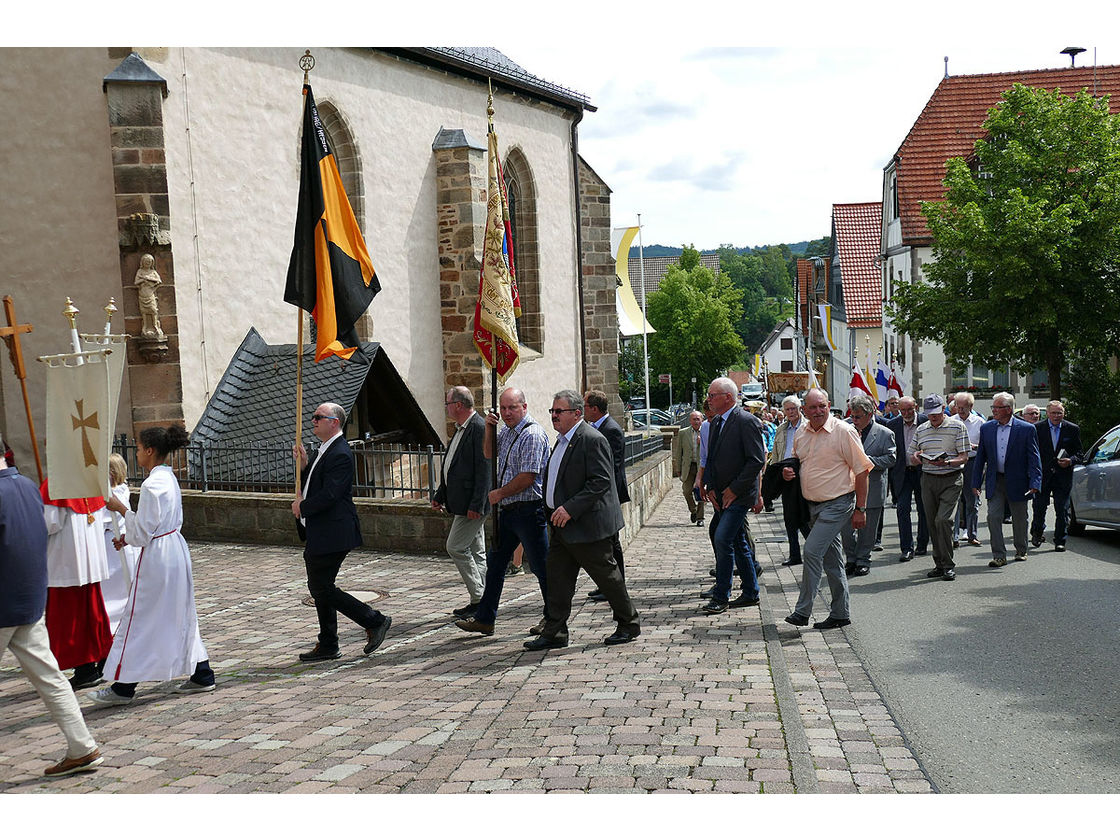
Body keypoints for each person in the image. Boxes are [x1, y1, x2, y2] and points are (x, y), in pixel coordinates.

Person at [91, 425, 217, 705]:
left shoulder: (151, 485)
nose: (136, 453)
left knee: (141, 617)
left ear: (149, 451)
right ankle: (202, 672)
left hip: (159, 557)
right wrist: (128, 537)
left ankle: (123, 687)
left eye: (137, 448)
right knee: (179, 612)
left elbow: (144, 531)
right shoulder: (167, 478)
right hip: (173, 549)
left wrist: (121, 509)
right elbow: (151, 527)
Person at [1, 432, 102, 776]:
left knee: (52, 678)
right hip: (29, 600)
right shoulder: (28, 486)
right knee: (51, 678)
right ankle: (82, 746)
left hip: (3, 604)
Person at [524, 390, 640, 649]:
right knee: (558, 580)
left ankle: (629, 623)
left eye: (559, 412)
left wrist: (570, 508)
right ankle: (555, 632)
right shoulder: (562, 440)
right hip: (561, 526)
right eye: (552, 411)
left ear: (577, 413)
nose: (554, 416)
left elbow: (600, 481)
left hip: (586, 526)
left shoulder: (591, 439)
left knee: (608, 579)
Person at [291, 404, 392, 663]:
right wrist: (303, 466)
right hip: (320, 531)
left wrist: (302, 506)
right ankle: (328, 643)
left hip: (334, 531)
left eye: (318, 417)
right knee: (321, 587)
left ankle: (374, 620)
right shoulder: (323, 450)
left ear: (334, 422)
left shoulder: (340, 453)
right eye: (313, 417)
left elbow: (330, 494)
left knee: (321, 588)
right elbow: (315, 483)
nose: (313, 421)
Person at [456, 387, 551, 637]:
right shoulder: (507, 432)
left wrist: (500, 493)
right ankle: (485, 619)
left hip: (529, 510)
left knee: (541, 568)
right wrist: (489, 427)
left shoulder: (532, 434)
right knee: (496, 565)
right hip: (509, 512)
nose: (507, 413)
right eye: (504, 408)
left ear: (524, 407)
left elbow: (528, 477)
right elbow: (489, 453)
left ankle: (554, 618)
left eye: (513, 407)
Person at [783, 388, 872, 630]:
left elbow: (863, 471)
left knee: (811, 552)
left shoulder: (844, 431)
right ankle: (841, 613)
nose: (818, 411)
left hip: (838, 503)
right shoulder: (802, 432)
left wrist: (861, 509)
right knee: (833, 561)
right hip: (812, 507)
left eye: (822, 406)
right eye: (813, 407)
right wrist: (788, 472)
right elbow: (796, 462)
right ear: (805, 410)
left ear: (829, 404)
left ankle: (802, 612)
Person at [699, 377, 765, 615]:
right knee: (738, 542)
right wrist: (711, 486)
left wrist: (734, 489)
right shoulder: (716, 422)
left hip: (739, 495)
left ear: (728, 397)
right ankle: (750, 591)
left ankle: (721, 595)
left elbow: (756, 460)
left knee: (722, 538)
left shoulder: (746, 421)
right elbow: (713, 459)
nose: (709, 399)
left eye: (712, 395)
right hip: (722, 495)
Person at [40, 479, 113, 690]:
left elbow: (48, 523)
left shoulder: (56, 484)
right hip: (89, 561)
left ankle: (85, 668)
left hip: (65, 564)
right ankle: (101, 661)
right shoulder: (93, 479)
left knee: (70, 620)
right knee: (91, 615)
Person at [431, 386, 490, 618]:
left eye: (447, 403)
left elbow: (484, 469)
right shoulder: (460, 428)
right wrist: (440, 495)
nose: (445, 407)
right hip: (462, 501)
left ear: (458, 405)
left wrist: (477, 504)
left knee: (455, 546)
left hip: (471, 504)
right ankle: (484, 599)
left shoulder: (478, 427)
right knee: (477, 552)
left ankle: (479, 598)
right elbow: (453, 466)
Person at [971, 392, 1042, 567]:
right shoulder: (987, 428)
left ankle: (1021, 549)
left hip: (1018, 481)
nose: (993, 410)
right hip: (996, 480)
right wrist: (975, 482)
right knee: (993, 516)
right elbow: (981, 457)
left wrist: (1035, 482)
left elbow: (1034, 458)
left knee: (1019, 517)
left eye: (997, 407)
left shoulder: (1026, 429)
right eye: (993, 407)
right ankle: (999, 555)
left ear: (1009, 409)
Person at [908, 394, 972, 582]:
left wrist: (948, 462)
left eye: (936, 413)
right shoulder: (922, 429)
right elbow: (912, 454)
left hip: (951, 479)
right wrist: (917, 456)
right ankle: (939, 563)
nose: (933, 417)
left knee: (943, 520)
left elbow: (964, 457)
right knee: (931, 523)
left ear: (943, 408)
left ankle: (948, 564)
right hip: (928, 479)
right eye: (929, 414)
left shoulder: (957, 426)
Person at [842, 392, 896, 577]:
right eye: (852, 415)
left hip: (872, 487)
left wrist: (866, 462)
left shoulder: (884, 433)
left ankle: (863, 559)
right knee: (846, 529)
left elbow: (891, 458)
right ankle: (850, 558)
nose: (854, 420)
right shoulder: (845, 429)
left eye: (858, 417)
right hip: (846, 487)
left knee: (867, 528)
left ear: (870, 414)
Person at [583, 389, 630, 602]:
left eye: (584, 406)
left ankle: (615, 585)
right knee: (606, 542)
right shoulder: (598, 427)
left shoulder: (611, 430)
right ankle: (607, 584)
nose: (583, 411)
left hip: (609, 494)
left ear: (594, 409)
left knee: (611, 542)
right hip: (603, 494)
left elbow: (612, 466)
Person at [1031, 400, 1083, 552]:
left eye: (1059, 413)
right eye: (1053, 413)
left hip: (1063, 476)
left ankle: (1060, 540)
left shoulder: (1072, 429)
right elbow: (1031, 452)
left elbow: (1079, 453)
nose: (1056, 416)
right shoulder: (1037, 428)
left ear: (1063, 414)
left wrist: (1070, 461)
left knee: (1062, 509)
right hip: (1043, 475)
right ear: (1047, 413)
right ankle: (1037, 532)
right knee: (1039, 507)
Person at [768, 396, 810, 567]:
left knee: (803, 516)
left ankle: (817, 550)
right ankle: (794, 554)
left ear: (800, 409)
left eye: (794, 409)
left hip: (803, 474)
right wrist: (773, 474)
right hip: (785, 474)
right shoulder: (781, 429)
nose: (791, 412)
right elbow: (776, 454)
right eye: (788, 409)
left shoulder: (807, 427)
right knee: (789, 517)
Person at [100, 453, 139, 633]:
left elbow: (103, 519)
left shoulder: (115, 495)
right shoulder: (122, 488)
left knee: (118, 586)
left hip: (115, 542)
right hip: (117, 542)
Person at [886, 397, 929, 562]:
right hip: (902, 473)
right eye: (903, 410)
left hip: (922, 472)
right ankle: (906, 548)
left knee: (923, 508)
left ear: (916, 407)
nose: (906, 414)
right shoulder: (893, 425)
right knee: (902, 509)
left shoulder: (925, 421)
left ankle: (922, 544)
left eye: (909, 410)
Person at [952, 392, 985, 548]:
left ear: (971, 406)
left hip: (973, 463)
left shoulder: (979, 422)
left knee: (972, 500)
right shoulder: (951, 422)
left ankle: (972, 535)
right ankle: (955, 537)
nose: (960, 411)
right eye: (958, 407)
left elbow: (986, 447)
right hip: (955, 463)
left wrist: (975, 447)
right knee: (954, 501)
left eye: (963, 408)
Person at [672, 410, 705, 526]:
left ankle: (700, 518)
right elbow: (678, 451)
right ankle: (694, 511)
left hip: (702, 467)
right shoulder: (683, 433)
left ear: (702, 420)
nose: (696, 421)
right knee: (687, 491)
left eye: (698, 419)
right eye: (694, 419)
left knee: (701, 493)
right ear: (690, 421)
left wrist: (704, 442)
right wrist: (678, 468)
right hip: (688, 466)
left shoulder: (707, 432)